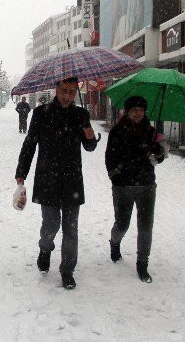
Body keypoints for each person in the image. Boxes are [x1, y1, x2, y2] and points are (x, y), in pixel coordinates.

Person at [15, 77, 98, 290]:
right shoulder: (41, 114)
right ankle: (45, 248)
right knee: (50, 225)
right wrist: (21, 172)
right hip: (47, 178)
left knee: (71, 229)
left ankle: (67, 270)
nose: (68, 96)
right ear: (56, 89)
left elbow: (89, 147)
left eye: (72, 92)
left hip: (72, 180)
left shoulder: (81, 115)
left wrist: (90, 138)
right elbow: (30, 144)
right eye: (64, 91)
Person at [105, 96, 165, 283]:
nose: (137, 113)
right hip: (123, 186)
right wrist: (115, 175)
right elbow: (109, 158)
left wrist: (158, 151)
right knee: (122, 224)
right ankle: (115, 243)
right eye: (134, 110)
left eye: (140, 110)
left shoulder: (153, 132)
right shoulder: (117, 131)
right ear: (127, 112)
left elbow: (159, 158)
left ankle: (142, 264)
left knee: (146, 227)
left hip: (146, 185)